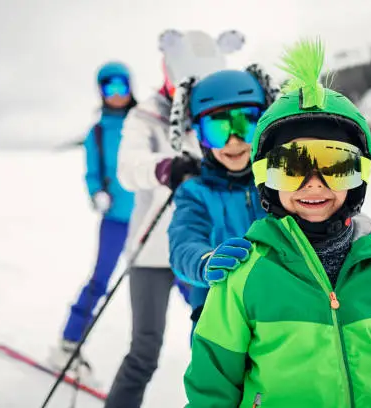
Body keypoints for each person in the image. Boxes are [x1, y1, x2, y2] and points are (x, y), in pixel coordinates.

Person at [184, 38, 371, 407]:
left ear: (359, 176)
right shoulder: (244, 277)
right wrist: (204, 261)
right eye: (291, 167)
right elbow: (211, 390)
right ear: (266, 177)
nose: (314, 182)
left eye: (336, 166)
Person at [103, 29, 245, 408]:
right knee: (144, 351)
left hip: (201, 247)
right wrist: (167, 167)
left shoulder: (215, 111)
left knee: (217, 341)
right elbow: (128, 168)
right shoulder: (146, 115)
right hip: (152, 252)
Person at [167, 66, 275, 339]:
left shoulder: (283, 182)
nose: (234, 141)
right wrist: (206, 261)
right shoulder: (195, 193)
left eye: (244, 125)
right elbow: (183, 244)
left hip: (284, 315)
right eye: (217, 129)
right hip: (220, 322)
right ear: (200, 138)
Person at [48, 61, 137, 380]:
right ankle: (68, 344)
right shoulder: (97, 133)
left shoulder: (143, 123)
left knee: (181, 278)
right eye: (109, 88)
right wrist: (96, 192)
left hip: (149, 218)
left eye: (122, 87)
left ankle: (220, 349)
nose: (116, 95)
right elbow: (92, 173)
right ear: (101, 92)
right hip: (115, 219)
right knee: (100, 279)